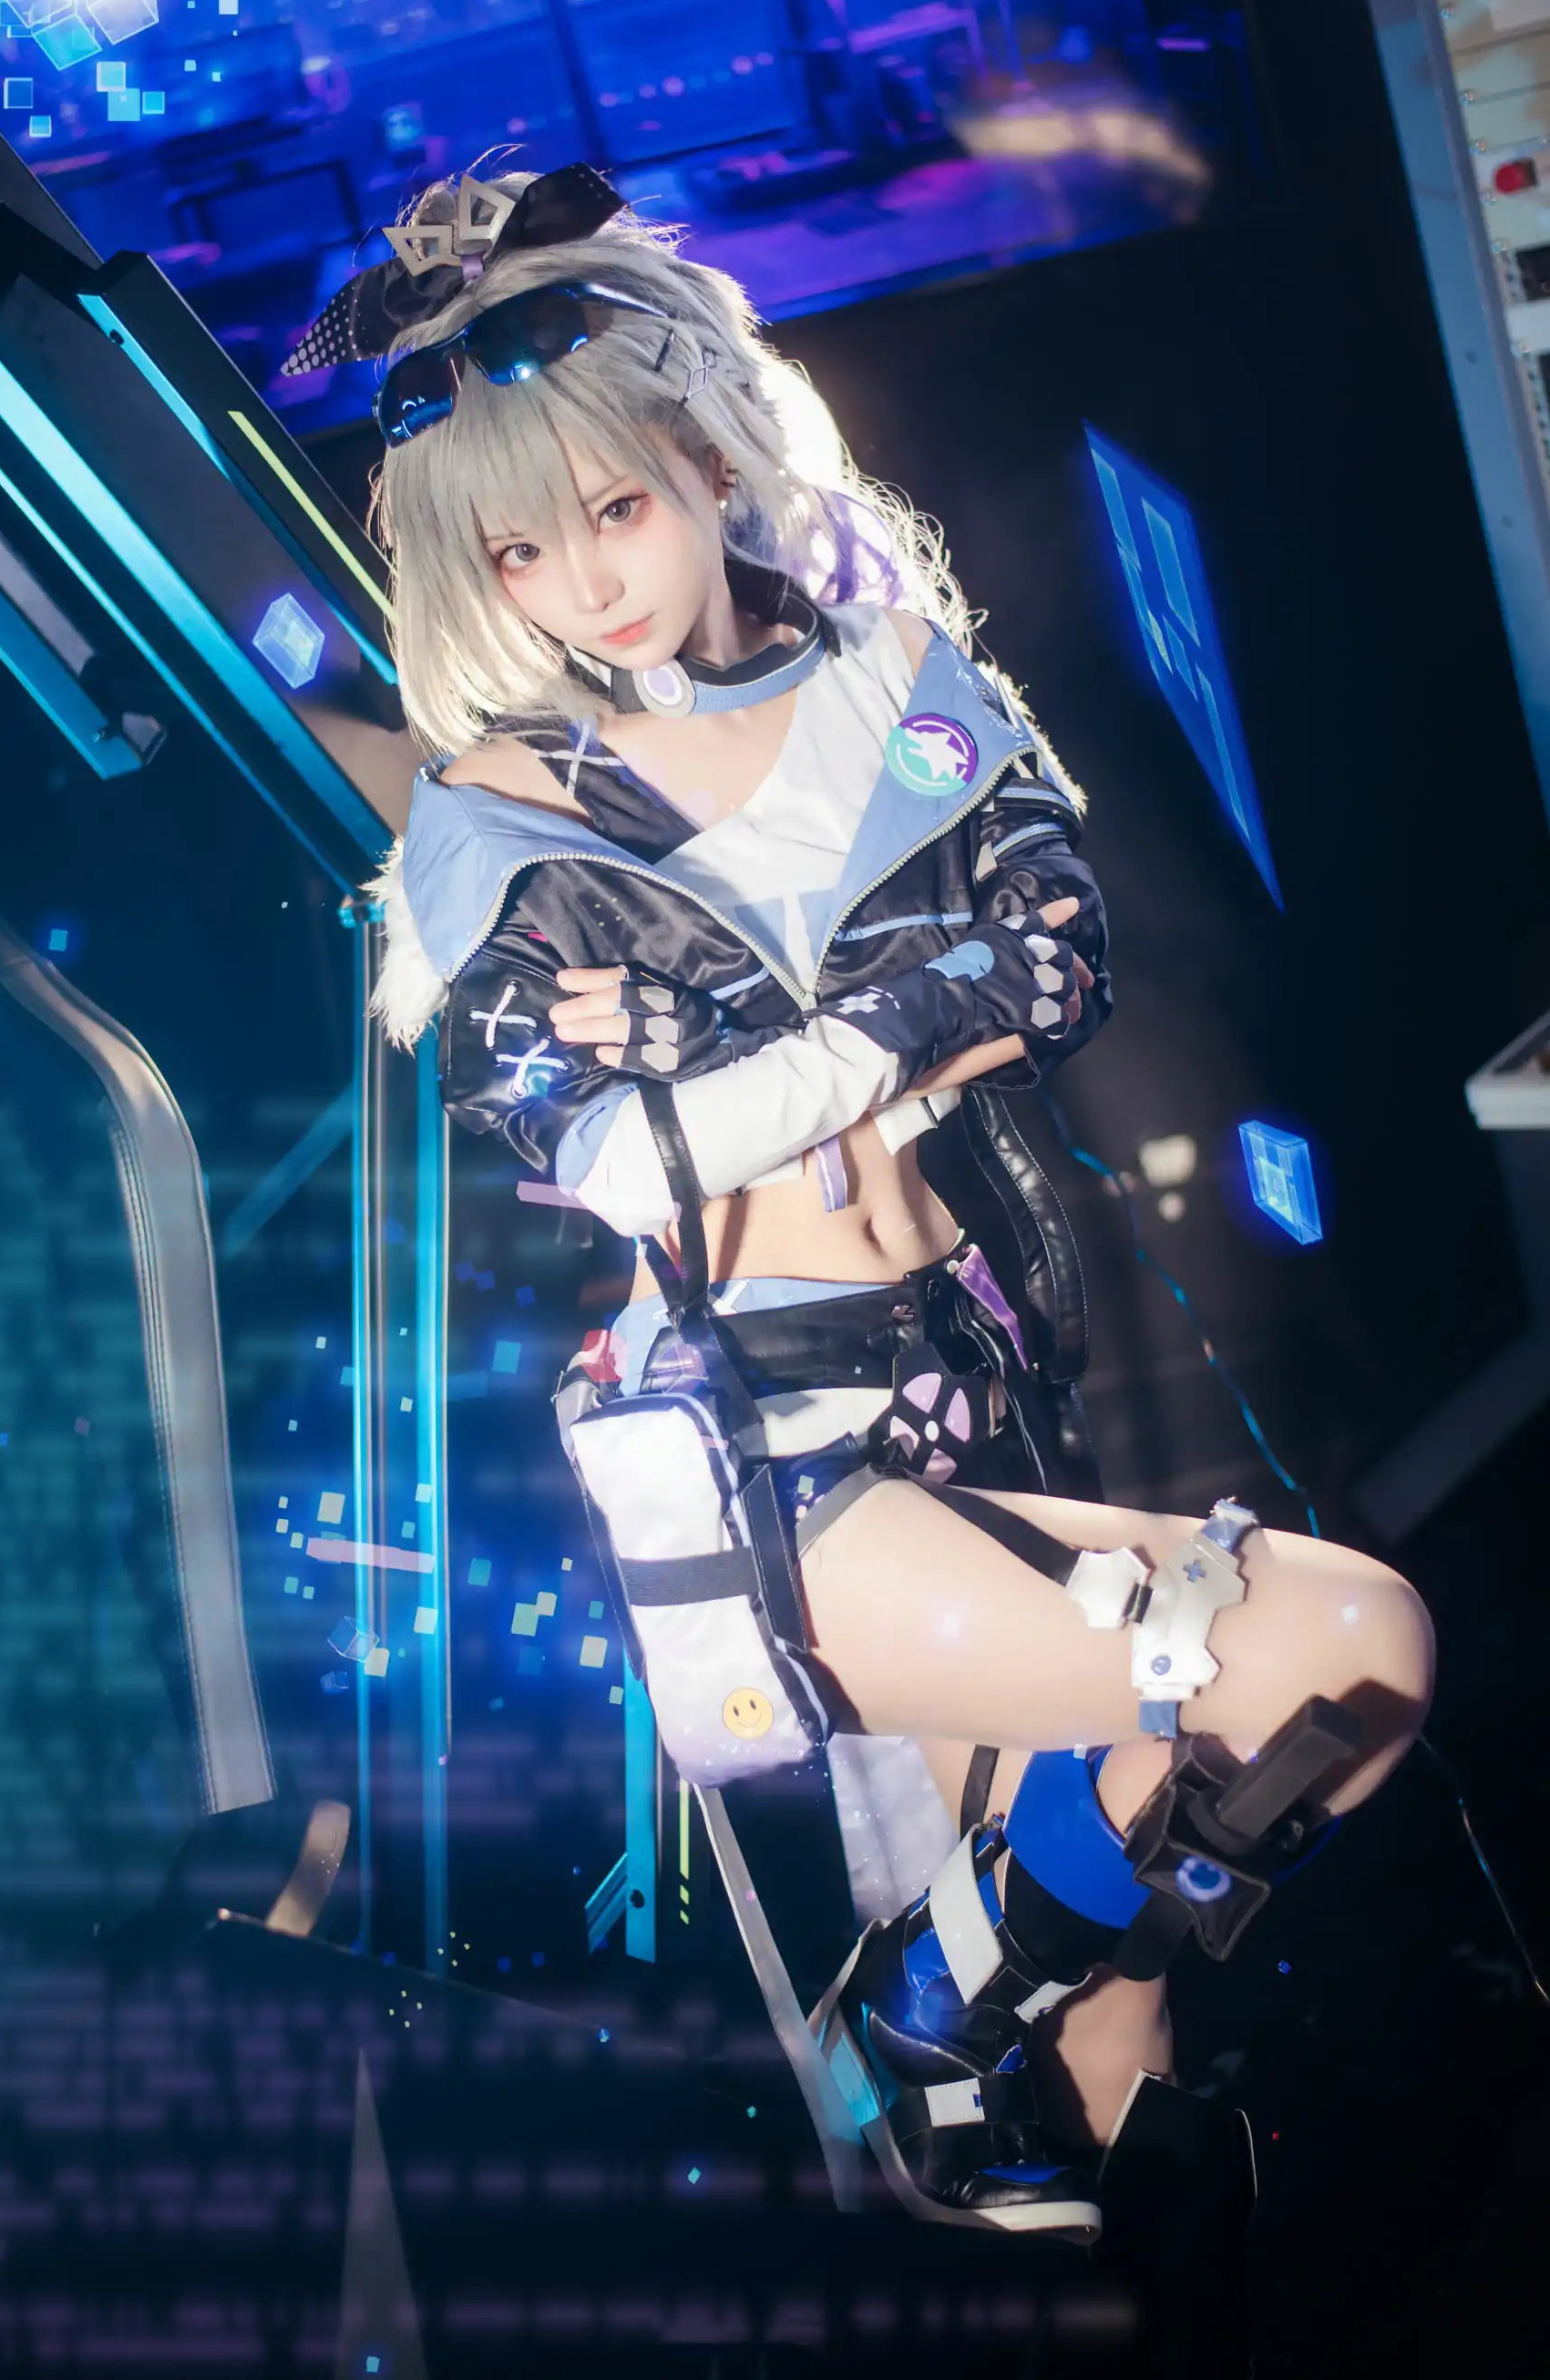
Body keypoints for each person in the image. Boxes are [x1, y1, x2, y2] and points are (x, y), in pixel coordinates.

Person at [298, 163, 1436, 2245]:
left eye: (616, 508)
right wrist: (912, 1020)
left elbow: (1061, 964)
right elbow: (612, 1158)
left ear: (708, 456)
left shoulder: (889, 675)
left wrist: (754, 1047)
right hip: (772, 1446)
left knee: (1121, 2039)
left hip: (986, 1375)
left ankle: (973, 2064)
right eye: (523, 548)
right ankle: (917, 2016)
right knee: (1342, 1651)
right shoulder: (496, 816)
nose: (584, 583)